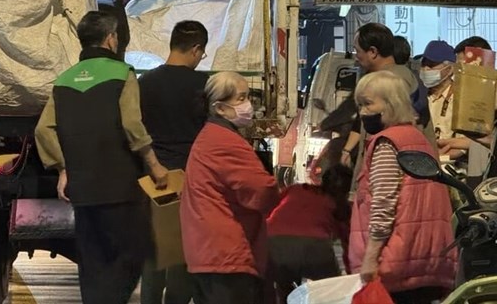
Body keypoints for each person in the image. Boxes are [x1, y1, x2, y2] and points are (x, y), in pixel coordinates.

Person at [34, 10, 169, 304]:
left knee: (93, 265)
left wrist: (62, 169)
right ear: (111, 39)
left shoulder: (64, 80)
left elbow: (43, 130)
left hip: (83, 190)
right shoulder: (123, 74)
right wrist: (155, 166)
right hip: (120, 189)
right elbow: (132, 125)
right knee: (130, 257)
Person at [350, 70, 456, 303]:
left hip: (395, 263)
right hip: (430, 259)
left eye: (367, 104)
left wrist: (370, 257)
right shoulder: (419, 140)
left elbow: (383, 204)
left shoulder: (388, 144)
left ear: (391, 104)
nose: (362, 112)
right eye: (360, 105)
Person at [180, 71, 280, 304]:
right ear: (220, 108)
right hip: (226, 253)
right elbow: (261, 189)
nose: (248, 105)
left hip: (209, 251)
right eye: (241, 98)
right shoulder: (224, 141)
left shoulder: (210, 136)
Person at [138, 21, 210, 304]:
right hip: (190, 180)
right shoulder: (203, 86)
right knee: (183, 251)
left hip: (153, 179)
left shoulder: (145, 84)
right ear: (196, 49)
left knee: (154, 252)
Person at [341, 23, 432, 170]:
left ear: (373, 52)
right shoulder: (387, 77)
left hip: (393, 169)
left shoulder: (395, 80)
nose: (356, 57)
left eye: (357, 50)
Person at [266, 165, 353, 303]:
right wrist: (352, 275)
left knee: (283, 289)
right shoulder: (340, 206)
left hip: (275, 245)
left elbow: (269, 208)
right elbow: (348, 243)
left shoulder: (296, 189)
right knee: (331, 292)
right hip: (315, 248)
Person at [439, 36, 496, 183]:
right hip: (480, 175)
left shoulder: (492, 96)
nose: (458, 73)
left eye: (463, 66)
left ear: (481, 61)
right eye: (458, 67)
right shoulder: (472, 97)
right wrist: (452, 142)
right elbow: (486, 140)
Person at [419, 40, 457, 140]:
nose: (425, 69)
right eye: (423, 64)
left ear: (449, 70)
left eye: (431, 65)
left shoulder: (459, 98)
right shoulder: (418, 96)